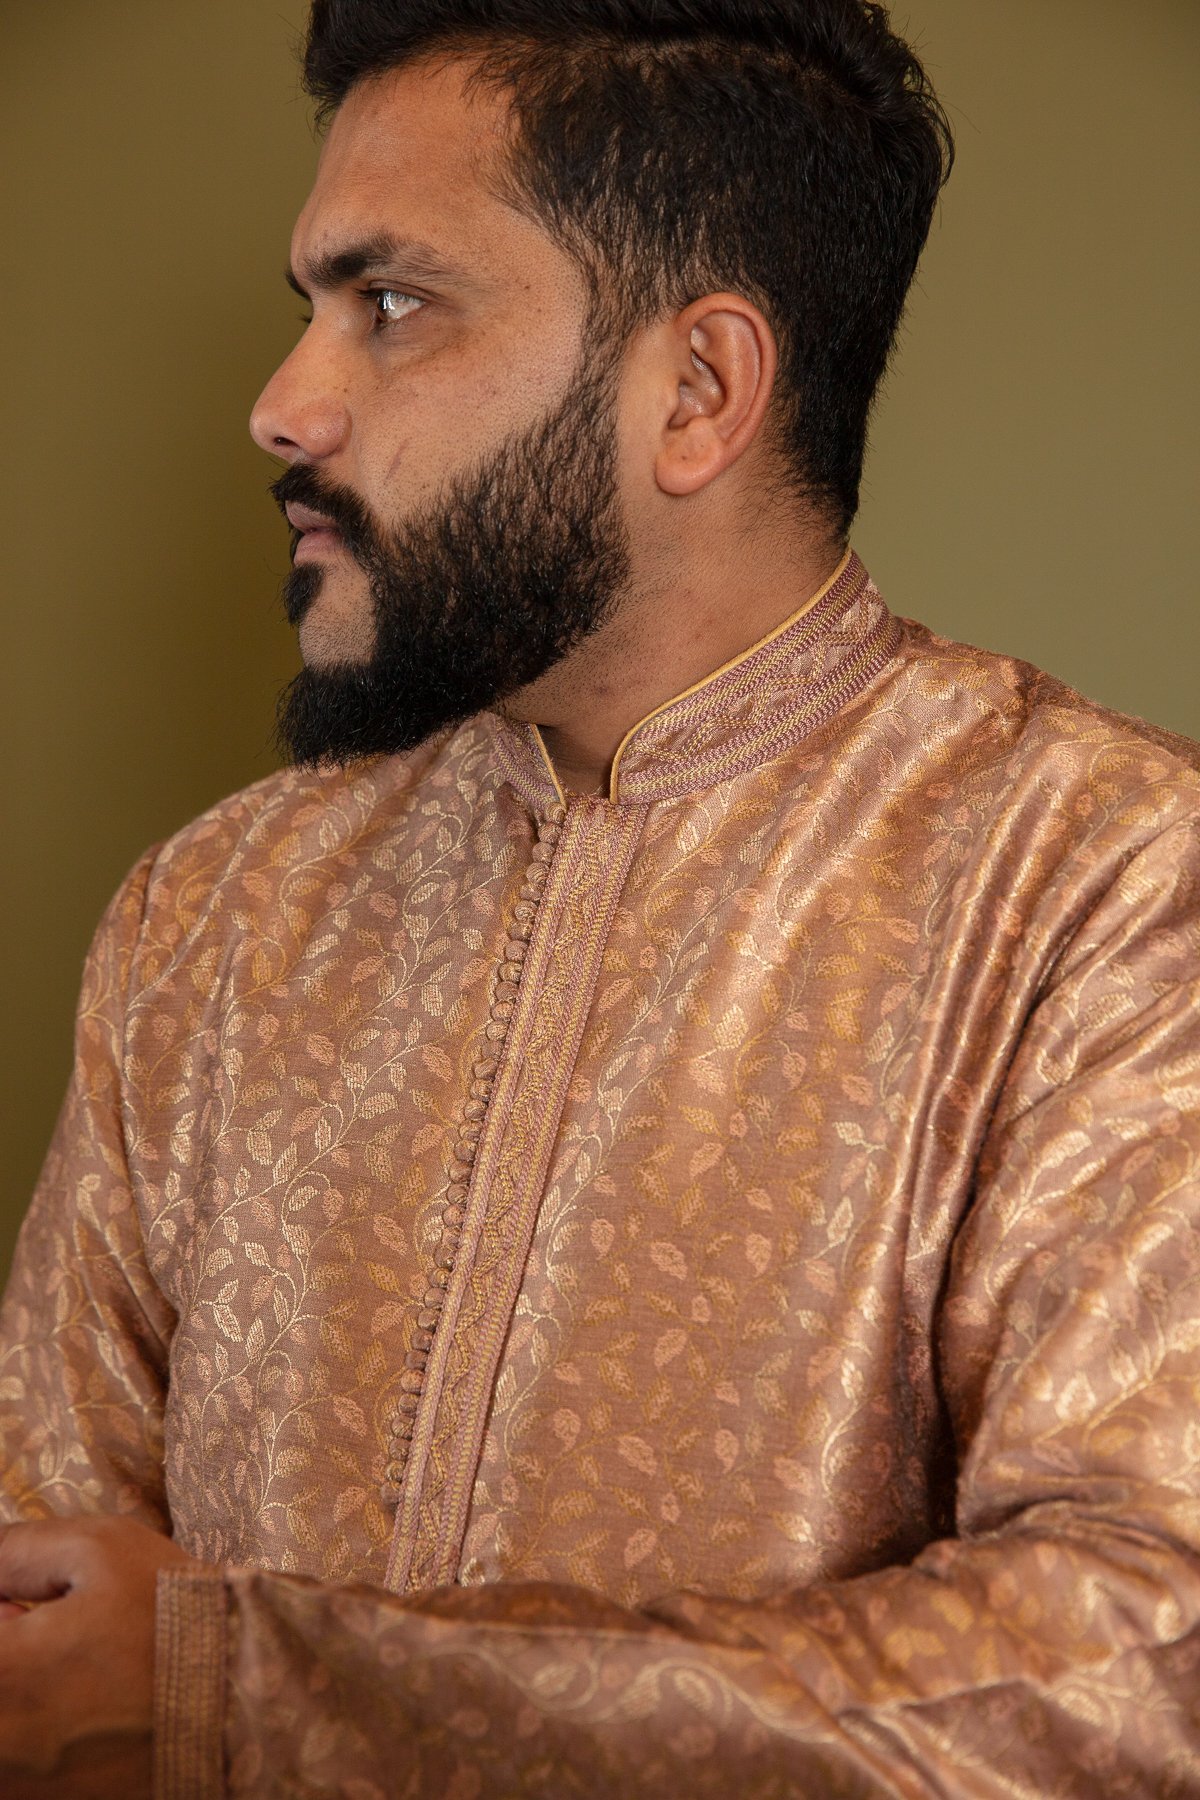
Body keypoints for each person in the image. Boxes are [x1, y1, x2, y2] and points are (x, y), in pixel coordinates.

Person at [1, 0, 1198, 1793]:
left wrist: (262, 1687)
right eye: (308, 304)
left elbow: (1141, 1659)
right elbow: (48, 1625)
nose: (283, 405)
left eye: (391, 304)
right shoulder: (221, 914)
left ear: (697, 392)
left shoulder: (1104, 881)